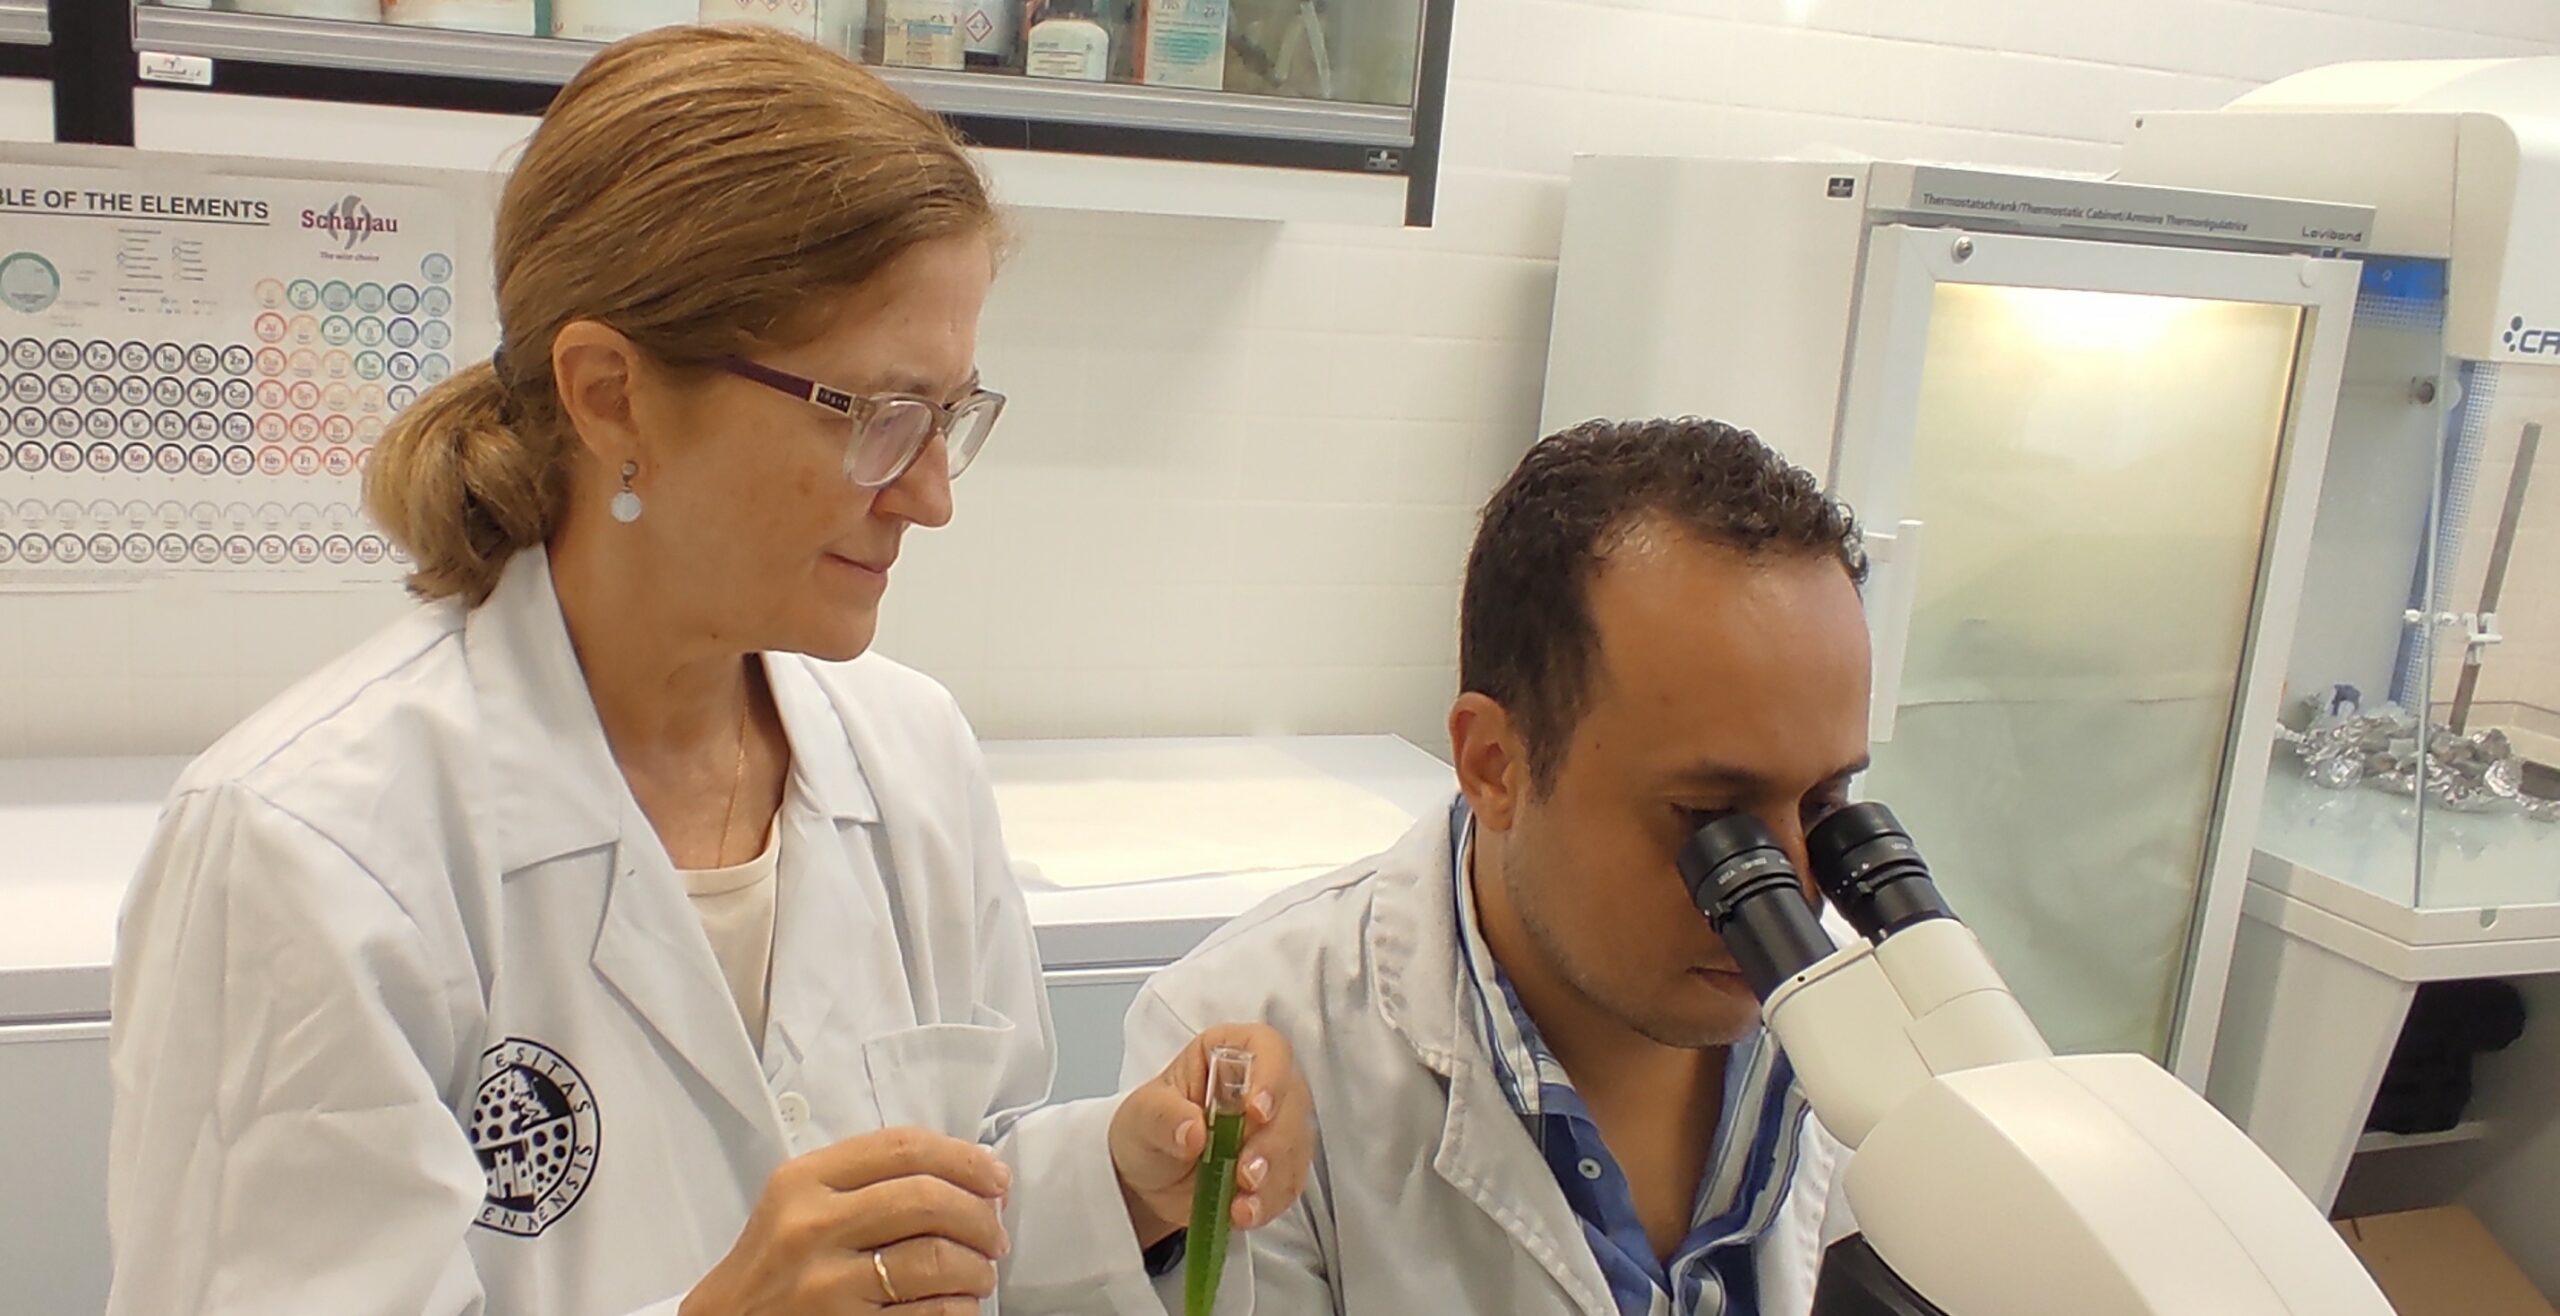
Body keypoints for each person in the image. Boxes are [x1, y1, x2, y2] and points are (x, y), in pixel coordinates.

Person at [107, 26, 1310, 1316]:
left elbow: (955, 1211)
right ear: (611, 393)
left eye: (950, 416)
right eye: (878, 416)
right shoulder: (310, 845)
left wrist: (1117, 1181)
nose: (932, 496)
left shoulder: (909, 754)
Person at [1121, 418, 1870, 1315]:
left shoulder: (1880, 1041)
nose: (1791, 891)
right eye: (1712, 819)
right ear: (1493, 764)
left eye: (1825, 808)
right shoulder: (1250, 1042)